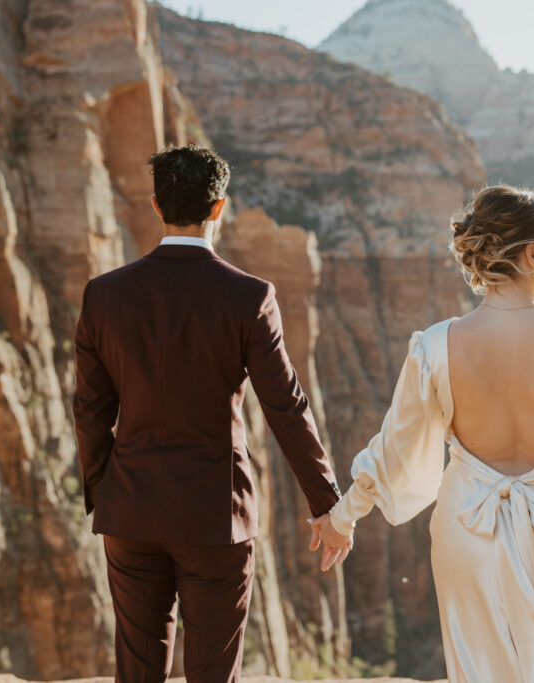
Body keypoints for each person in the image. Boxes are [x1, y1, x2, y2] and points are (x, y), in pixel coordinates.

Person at [308, 185, 534, 682]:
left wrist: (345, 515)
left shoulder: (435, 347)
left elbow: (396, 448)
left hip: (466, 530)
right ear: (531, 253)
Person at [72, 145, 343, 683]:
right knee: (213, 673)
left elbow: (90, 410)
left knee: (138, 672)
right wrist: (327, 504)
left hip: (129, 512)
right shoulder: (249, 297)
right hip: (216, 517)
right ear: (219, 208)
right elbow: (285, 407)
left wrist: (105, 490)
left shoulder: (104, 295)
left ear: (155, 205)